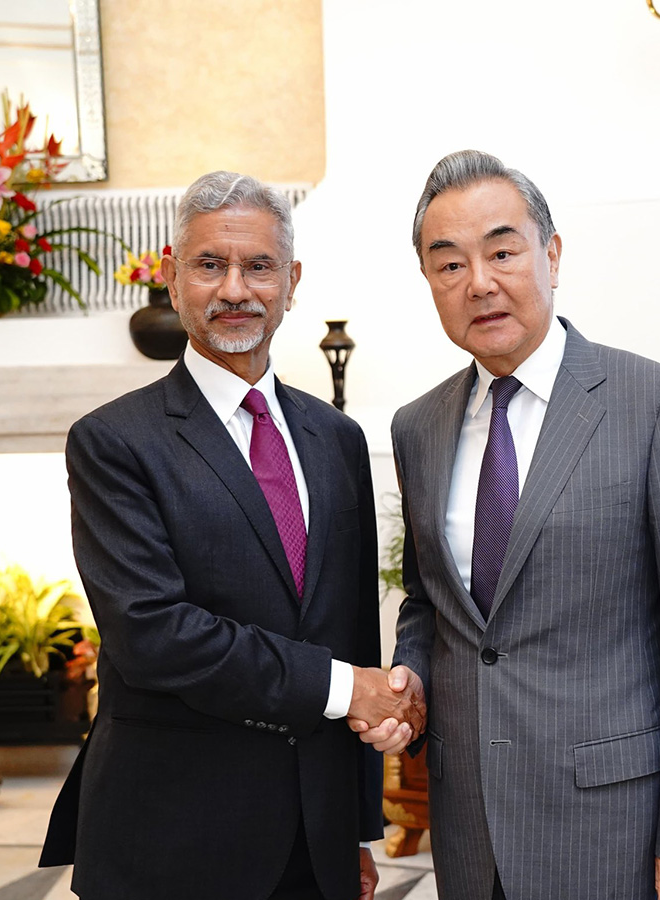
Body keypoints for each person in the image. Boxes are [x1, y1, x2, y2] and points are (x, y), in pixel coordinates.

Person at [352, 151, 660, 900]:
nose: (481, 282)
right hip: (470, 828)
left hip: (612, 829)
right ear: (431, 284)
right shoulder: (418, 427)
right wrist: (414, 681)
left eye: (503, 251)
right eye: (449, 265)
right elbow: (429, 603)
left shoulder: (656, 406)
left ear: (551, 255)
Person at [39, 170, 425, 900]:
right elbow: (154, 636)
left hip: (314, 842)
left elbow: (344, 628)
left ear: (292, 280)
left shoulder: (337, 437)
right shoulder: (114, 442)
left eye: (259, 266)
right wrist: (348, 690)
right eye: (210, 265)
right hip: (172, 840)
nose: (236, 290)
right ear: (171, 275)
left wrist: (354, 826)